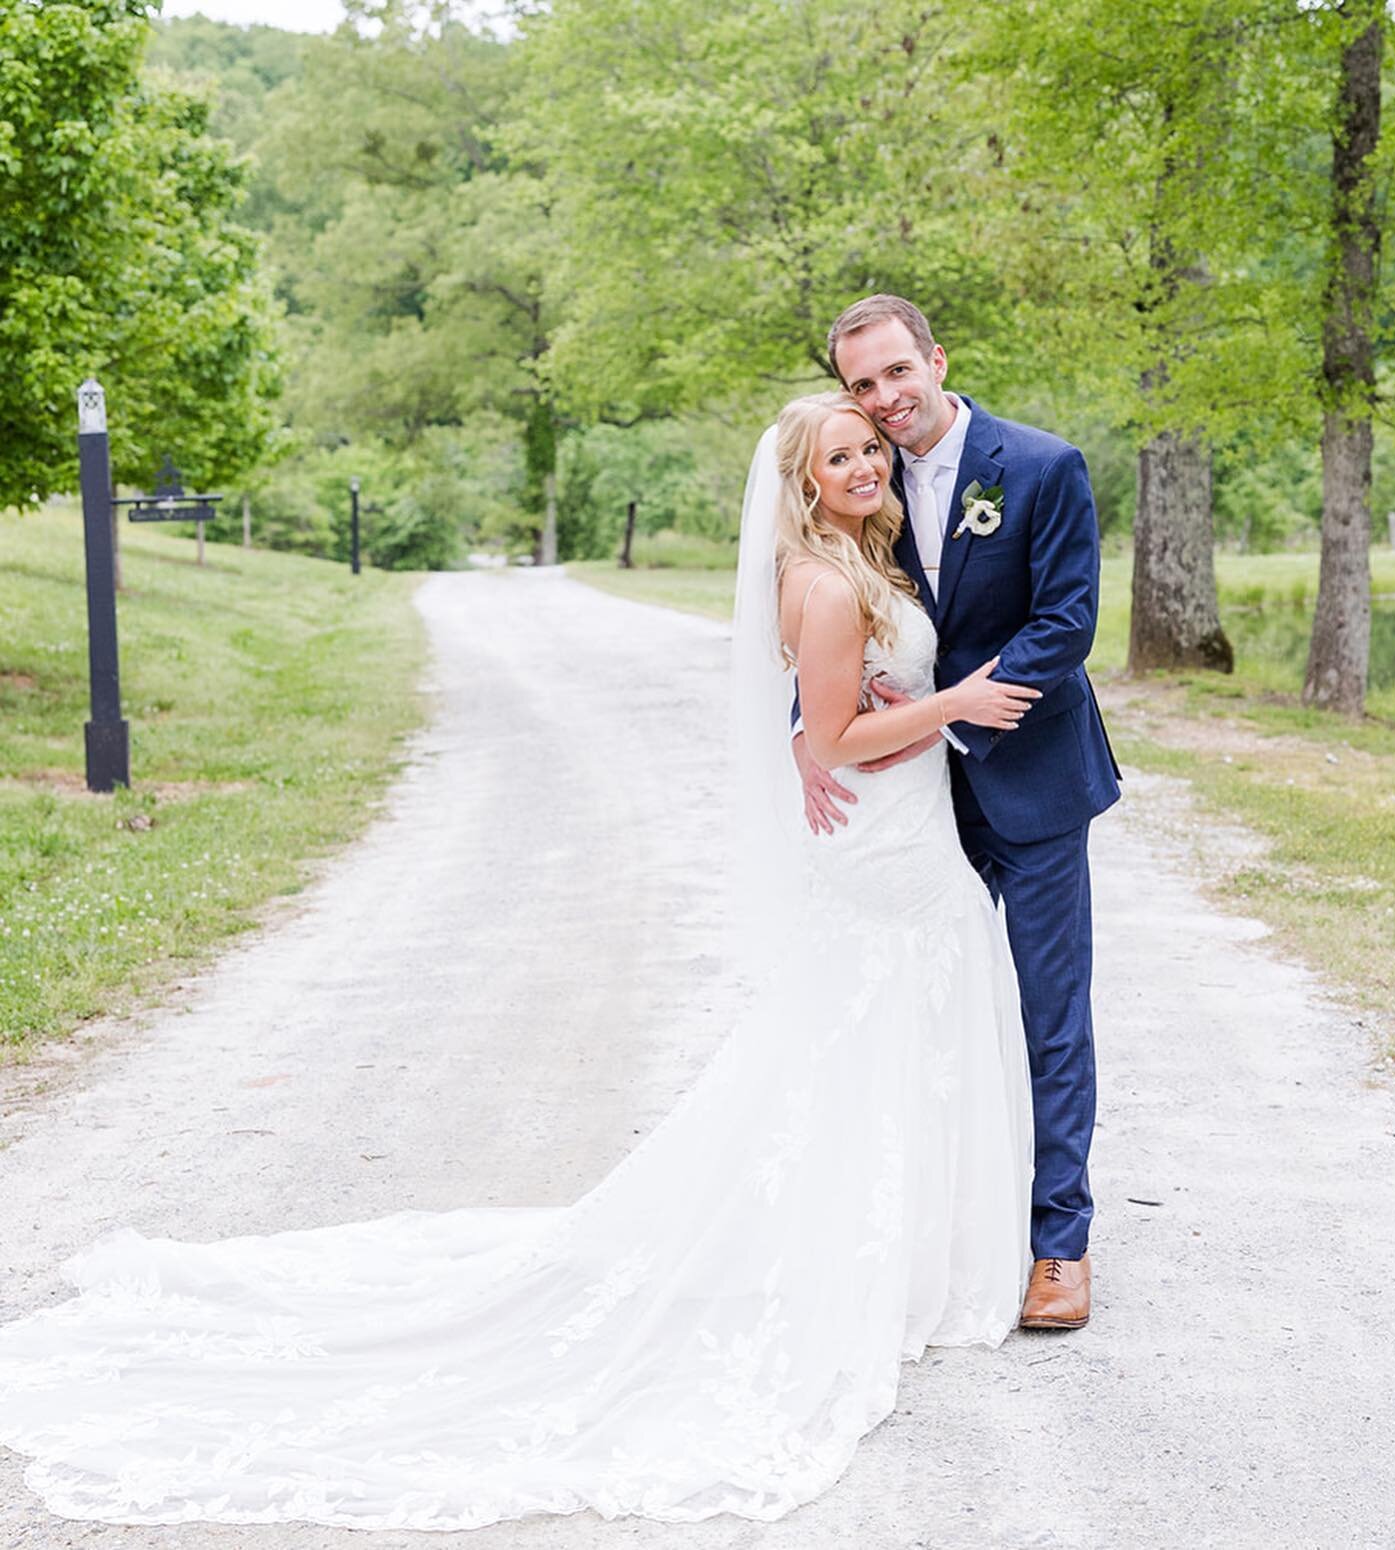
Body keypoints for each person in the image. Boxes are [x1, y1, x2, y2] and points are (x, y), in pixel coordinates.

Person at [0, 394, 1035, 1532]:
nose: (864, 462)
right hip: (882, 849)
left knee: (881, 1032)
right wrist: (953, 702)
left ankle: (896, 1246)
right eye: (837, 454)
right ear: (800, 481)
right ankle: (861, 1252)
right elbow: (833, 737)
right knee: (874, 1025)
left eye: (870, 447)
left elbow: (828, 713)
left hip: (898, 833)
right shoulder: (829, 580)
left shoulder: (858, 560)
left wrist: (875, 705)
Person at [794, 294, 1122, 1330]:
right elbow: (832, 614)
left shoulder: (1040, 466)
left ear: (936, 358)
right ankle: (951, 1217)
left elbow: (1065, 621)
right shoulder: (863, 486)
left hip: (1026, 777)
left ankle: (1058, 1243)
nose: (884, 400)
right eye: (862, 386)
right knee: (937, 1005)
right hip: (915, 804)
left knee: (1045, 1009)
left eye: (897, 373)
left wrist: (954, 719)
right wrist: (804, 727)